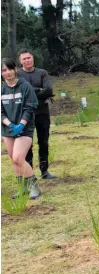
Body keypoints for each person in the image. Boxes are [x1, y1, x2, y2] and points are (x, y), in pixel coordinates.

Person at [1, 57, 41, 199]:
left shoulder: (25, 86)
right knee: (13, 159)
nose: (7, 73)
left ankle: (34, 187)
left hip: (24, 128)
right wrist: (9, 124)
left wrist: (21, 124)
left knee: (18, 158)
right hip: (7, 129)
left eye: (10, 69)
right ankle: (22, 188)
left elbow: (30, 107)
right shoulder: (1, 88)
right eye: (4, 70)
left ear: (16, 70)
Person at [17, 49, 57, 179]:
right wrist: (39, 90)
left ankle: (44, 171)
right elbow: (20, 92)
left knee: (44, 142)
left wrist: (29, 91)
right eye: (24, 59)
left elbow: (49, 90)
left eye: (29, 58)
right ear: (20, 61)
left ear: (33, 58)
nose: (27, 60)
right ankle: (30, 174)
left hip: (42, 113)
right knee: (27, 144)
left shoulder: (42, 73)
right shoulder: (17, 74)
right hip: (25, 115)